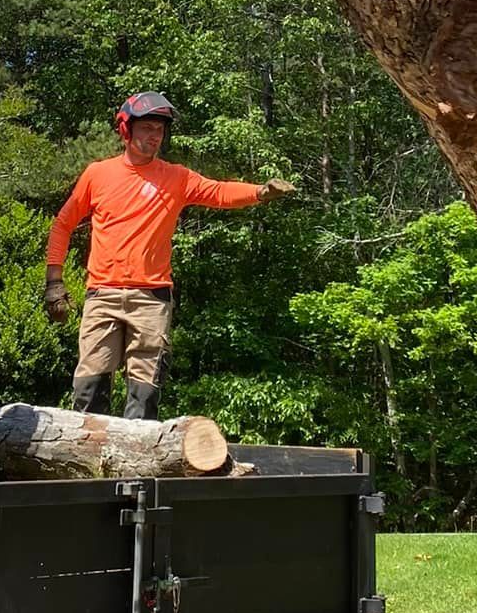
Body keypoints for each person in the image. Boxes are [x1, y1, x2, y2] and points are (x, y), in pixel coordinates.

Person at [44, 91, 294, 420]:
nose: (154, 136)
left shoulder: (175, 177)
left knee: (144, 397)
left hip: (151, 298)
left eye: (159, 130)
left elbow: (218, 192)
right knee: (89, 391)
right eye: (146, 127)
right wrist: (54, 282)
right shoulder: (98, 174)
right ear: (125, 129)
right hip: (102, 295)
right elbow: (62, 225)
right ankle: (89, 470)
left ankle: (135, 473)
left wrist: (260, 193)